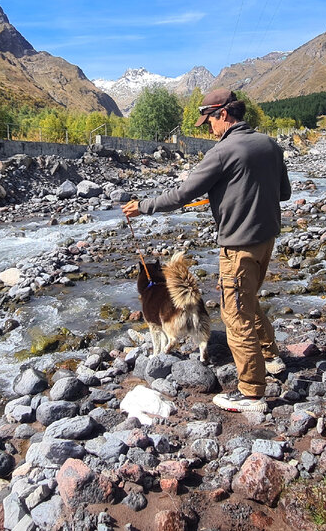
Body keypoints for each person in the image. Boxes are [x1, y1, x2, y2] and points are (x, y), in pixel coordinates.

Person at [123, 88, 291, 413]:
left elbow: (182, 194)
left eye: (209, 121)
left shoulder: (222, 152)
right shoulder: (270, 145)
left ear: (223, 115)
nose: (208, 129)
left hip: (238, 244)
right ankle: (271, 358)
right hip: (266, 240)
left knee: (234, 313)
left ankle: (252, 393)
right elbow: (282, 193)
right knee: (249, 300)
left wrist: (142, 206)